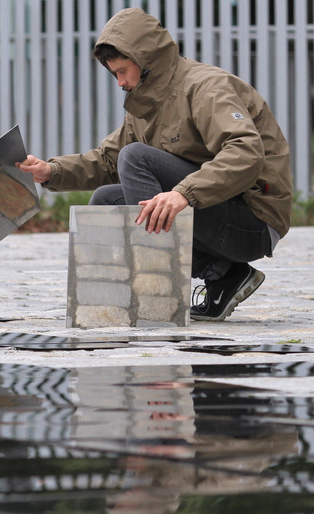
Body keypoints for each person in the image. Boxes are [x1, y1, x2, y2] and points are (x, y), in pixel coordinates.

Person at [17, 8, 292, 321]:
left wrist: (184, 194)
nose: (120, 82)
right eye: (114, 74)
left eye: (123, 71)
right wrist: (51, 171)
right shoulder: (145, 102)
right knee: (106, 202)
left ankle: (161, 290)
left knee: (136, 157)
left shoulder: (204, 88)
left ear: (146, 59)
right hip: (216, 215)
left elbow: (246, 151)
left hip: (252, 221)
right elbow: (108, 160)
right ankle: (225, 273)